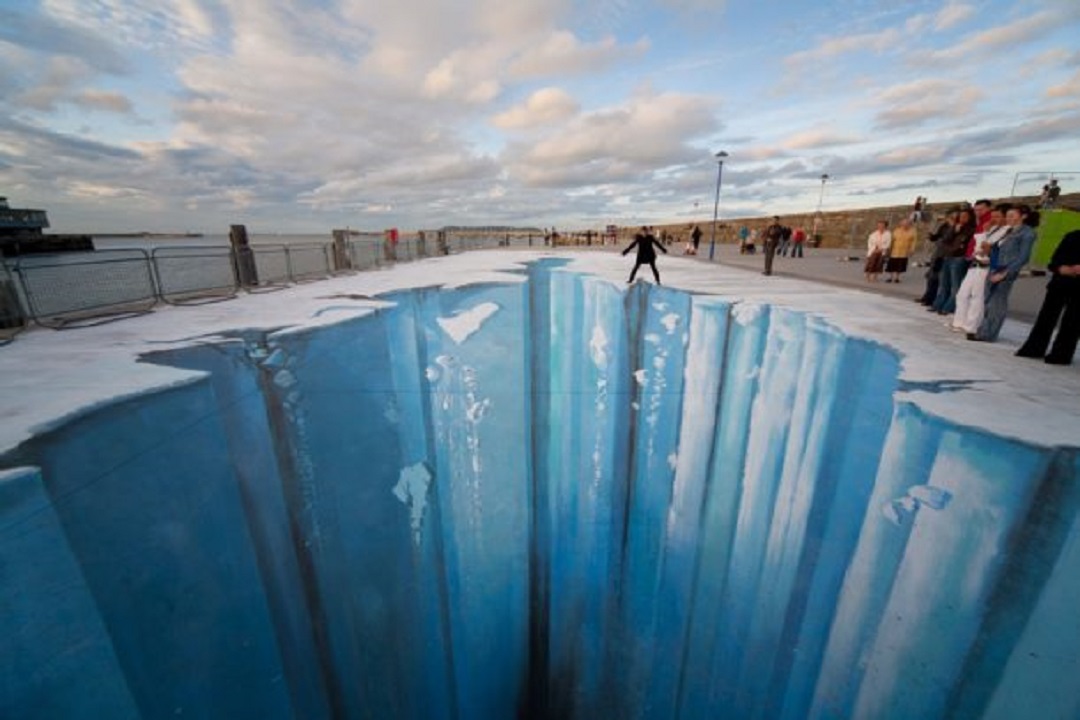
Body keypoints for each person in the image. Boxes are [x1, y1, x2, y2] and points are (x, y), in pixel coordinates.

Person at [1016, 229, 1080, 365]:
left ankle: (1061, 355)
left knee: (1072, 323)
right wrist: (1061, 268)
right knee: (1046, 318)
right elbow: (1055, 260)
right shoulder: (1072, 236)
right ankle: (1034, 348)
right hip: (1060, 282)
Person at [951, 204, 1009, 335]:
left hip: (986, 267)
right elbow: (980, 247)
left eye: (998, 216)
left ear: (1005, 217)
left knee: (977, 297)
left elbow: (989, 248)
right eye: (993, 216)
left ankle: (971, 326)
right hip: (975, 264)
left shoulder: (1006, 231)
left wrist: (985, 243)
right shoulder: (992, 229)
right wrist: (985, 232)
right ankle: (959, 322)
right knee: (962, 294)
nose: (994, 219)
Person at [931, 208, 976, 315]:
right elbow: (944, 240)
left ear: (970, 218)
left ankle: (949, 307)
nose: (962, 218)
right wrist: (954, 231)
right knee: (943, 283)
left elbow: (964, 244)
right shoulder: (954, 227)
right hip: (947, 256)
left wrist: (955, 245)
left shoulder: (971, 229)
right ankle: (938, 305)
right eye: (960, 216)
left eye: (965, 216)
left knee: (955, 285)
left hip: (959, 258)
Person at [917, 210, 957, 305]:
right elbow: (936, 237)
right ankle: (927, 297)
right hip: (938, 252)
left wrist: (952, 225)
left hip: (946, 253)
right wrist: (931, 236)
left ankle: (934, 299)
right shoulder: (944, 226)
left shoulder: (955, 227)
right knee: (931, 275)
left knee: (940, 278)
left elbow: (948, 238)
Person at [886, 218, 916, 283]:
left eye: (907, 223)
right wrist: (889, 248)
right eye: (904, 223)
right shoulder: (896, 231)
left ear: (909, 224)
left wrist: (912, 250)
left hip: (904, 251)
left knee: (900, 265)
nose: (905, 225)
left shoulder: (912, 232)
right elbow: (892, 240)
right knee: (892, 264)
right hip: (894, 250)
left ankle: (897, 278)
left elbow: (913, 242)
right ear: (901, 224)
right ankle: (890, 277)